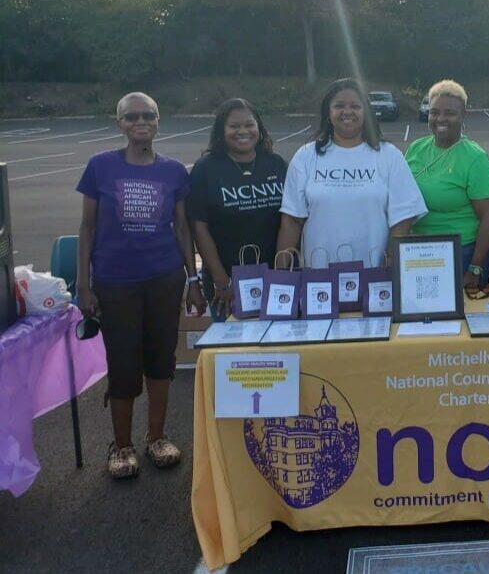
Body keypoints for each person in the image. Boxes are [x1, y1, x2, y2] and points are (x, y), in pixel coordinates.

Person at [75, 92, 204, 479]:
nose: (140, 121)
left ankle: (157, 437)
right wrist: (84, 283)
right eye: (132, 116)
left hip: (164, 279)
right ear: (120, 123)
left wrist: (193, 279)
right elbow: (87, 227)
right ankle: (122, 444)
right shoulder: (100, 167)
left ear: (159, 120)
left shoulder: (174, 171)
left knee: (161, 360)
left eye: (148, 115)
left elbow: (181, 228)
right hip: (115, 282)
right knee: (124, 363)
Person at [277, 78, 426, 266]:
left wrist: (390, 259)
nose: (347, 111)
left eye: (355, 106)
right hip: (319, 282)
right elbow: (291, 220)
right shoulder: (306, 156)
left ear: (366, 112)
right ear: (328, 113)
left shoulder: (389, 155)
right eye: (339, 106)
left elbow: (404, 216)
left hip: (374, 277)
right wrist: (281, 273)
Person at [188, 99, 288, 320]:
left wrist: (282, 273)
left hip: (273, 277)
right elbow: (198, 226)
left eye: (249, 124)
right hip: (227, 282)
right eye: (234, 126)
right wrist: (221, 280)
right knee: (234, 351)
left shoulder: (276, 164)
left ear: (259, 129)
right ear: (221, 131)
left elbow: (289, 220)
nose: (243, 131)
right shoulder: (206, 169)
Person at [404, 80, 489, 289]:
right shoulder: (415, 149)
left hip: (461, 253)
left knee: (458, 318)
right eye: (434, 112)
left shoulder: (475, 158)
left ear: (464, 115)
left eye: (450, 113)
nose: (441, 119)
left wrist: (475, 268)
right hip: (418, 251)